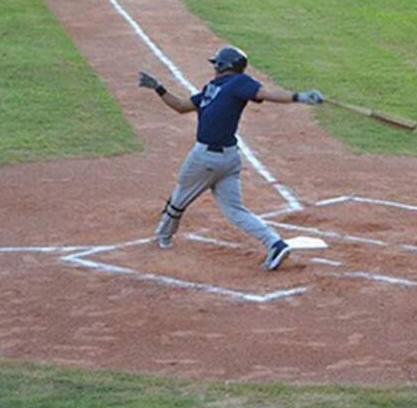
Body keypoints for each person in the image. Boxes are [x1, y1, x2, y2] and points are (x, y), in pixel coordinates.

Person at [138, 47, 324, 270]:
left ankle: (162, 238)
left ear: (223, 66)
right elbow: (181, 106)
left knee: (178, 199)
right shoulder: (212, 88)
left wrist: (299, 97)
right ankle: (274, 243)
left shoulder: (238, 82)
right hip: (229, 159)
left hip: (205, 158)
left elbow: (265, 93)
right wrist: (158, 88)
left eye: (216, 63)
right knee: (235, 210)